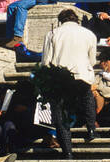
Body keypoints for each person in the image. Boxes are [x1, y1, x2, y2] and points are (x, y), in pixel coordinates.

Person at [41, 9, 99, 154]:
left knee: (61, 116)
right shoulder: (89, 34)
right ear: (76, 20)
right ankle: (91, 129)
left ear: (61, 21)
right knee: (87, 97)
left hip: (60, 77)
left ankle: (67, 152)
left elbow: (46, 61)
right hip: (82, 74)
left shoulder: (52, 34)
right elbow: (92, 60)